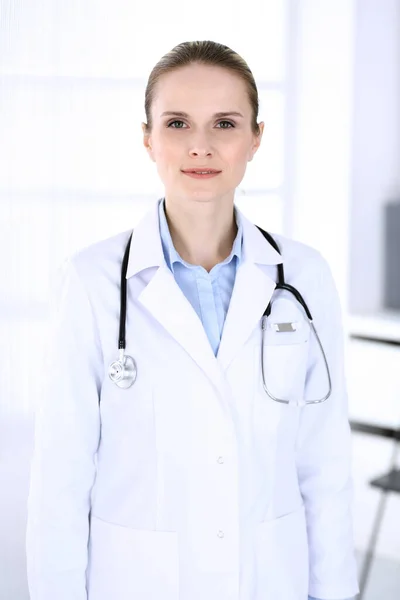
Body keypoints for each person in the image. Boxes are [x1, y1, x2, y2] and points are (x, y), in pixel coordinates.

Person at [26, 40, 360, 600]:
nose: (200, 146)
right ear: (147, 138)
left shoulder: (303, 277)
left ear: (256, 138)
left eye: (224, 123)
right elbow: (60, 480)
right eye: (177, 122)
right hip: (137, 583)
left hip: (269, 578)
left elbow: (325, 465)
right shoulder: (91, 281)